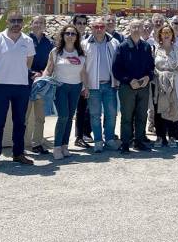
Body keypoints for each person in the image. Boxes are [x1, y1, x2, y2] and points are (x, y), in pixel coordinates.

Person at [0, 10, 35, 171]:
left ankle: (18, 153)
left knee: (20, 122)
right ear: (7, 21)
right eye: (13, 20)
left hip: (21, 87)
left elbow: (29, 63)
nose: (16, 23)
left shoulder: (27, 40)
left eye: (19, 20)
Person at [41, 25, 88, 160]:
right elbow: (49, 69)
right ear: (63, 35)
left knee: (69, 117)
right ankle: (56, 147)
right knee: (63, 116)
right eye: (67, 33)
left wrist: (86, 87)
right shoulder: (55, 52)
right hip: (60, 87)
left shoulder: (81, 53)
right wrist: (43, 80)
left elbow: (83, 72)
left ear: (77, 37)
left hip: (76, 87)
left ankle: (64, 145)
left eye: (73, 34)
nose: (70, 36)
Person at [113, 19, 155, 153]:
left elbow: (151, 67)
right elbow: (116, 69)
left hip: (143, 87)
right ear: (129, 29)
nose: (137, 29)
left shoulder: (146, 47)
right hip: (127, 87)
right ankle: (125, 143)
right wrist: (129, 80)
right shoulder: (122, 47)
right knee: (127, 116)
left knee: (142, 115)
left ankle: (139, 141)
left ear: (143, 29)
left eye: (139, 26)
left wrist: (148, 77)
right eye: (134, 27)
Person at [82, 17, 121, 153]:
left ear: (105, 27)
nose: (99, 29)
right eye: (96, 27)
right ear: (91, 28)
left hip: (110, 85)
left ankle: (109, 139)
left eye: (102, 26)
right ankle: (98, 141)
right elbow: (82, 67)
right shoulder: (84, 44)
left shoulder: (114, 42)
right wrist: (84, 86)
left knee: (111, 114)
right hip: (93, 86)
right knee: (95, 115)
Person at [152, 23, 178, 148]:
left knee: (173, 108)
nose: (166, 35)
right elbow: (152, 65)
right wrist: (161, 74)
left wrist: (172, 76)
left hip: (174, 83)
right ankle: (160, 136)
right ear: (160, 34)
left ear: (172, 35)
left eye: (168, 32)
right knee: (159, 109)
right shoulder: (155, 50)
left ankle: (172, 136)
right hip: (159, 83)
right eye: (164, 32)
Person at [24, 14, 53, 155]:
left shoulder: (49, 42)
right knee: (23, 116)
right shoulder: (24, 40)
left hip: (41, 83)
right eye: (36, 22)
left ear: (45, 25)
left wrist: (42, 74)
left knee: (40, 116)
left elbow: (51, 62)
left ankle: (37, 143)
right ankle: (21, 144)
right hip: (26, 82)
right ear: (31, 24)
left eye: (42, 22)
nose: (39, 25)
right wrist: (31, 73)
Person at [71, 14, 92, 148]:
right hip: (70, 80)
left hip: (84, 80)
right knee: (66, 113)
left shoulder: (89, 40)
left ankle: (80, 136)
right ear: (74, 23)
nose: (82, 26)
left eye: (84, 23)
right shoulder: (69, 38)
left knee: (83, 109)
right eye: (79, 23)